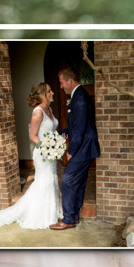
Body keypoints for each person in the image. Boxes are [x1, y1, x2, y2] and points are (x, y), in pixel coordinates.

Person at [0, 82, 62, 230]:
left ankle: (51, 212)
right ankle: (40, 215)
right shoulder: (38, 112)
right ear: (42, 95)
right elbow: (33, 136)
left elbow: (50, 131)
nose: (52, 93)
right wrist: (47, 147)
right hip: (43, 153)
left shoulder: (48, 109)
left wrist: (55, 144)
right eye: (49, 91)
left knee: (51, 179)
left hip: (50, 152)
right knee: (45, 181)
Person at [51, 66, 98, 230]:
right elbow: (77, 125)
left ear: (70, 81)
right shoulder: (79, 95)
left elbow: (80, 130)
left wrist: (71, 151)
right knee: (78, 182)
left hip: (83, 147)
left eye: (62, 83)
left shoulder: (79, 97)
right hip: (86, 146)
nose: (61, 86)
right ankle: (74, 217)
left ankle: (68, 219)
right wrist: (63, 132)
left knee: (68, 181)